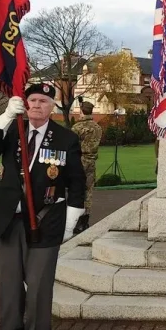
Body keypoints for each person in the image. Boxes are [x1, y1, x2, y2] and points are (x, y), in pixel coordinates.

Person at [0, 84, 85, 330]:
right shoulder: (11, 130)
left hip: (45, 219)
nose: (36, 105)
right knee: (9, 284)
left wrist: (72, 219)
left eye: (43, 101)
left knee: (38, 286)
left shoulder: (66, 138)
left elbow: (76, 181)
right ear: (24, 104)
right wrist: (3, 116)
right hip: (9, 221)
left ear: (52, 106)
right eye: (32, 100)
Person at [71, 97, 102, 234]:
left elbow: (71, 145)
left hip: (79, 161)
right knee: (88, 191)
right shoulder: (98, 127)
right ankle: (85, 221)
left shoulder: (77, 127)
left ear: (82, 112)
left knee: (77, 190)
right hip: (92, 161)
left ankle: (76, 221)